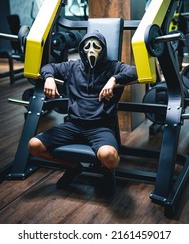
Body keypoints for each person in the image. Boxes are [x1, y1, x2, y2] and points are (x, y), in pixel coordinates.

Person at [28, 30, 138, 196]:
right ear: (81, 49)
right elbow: (47, 66)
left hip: (100, 128)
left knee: (109, 156)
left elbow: (136, 71)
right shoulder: (72, 66)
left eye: (96, 46)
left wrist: (115, 79)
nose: (91, 50)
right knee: (34, 146)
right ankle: (73, 167)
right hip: (73, 125)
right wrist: (49, 78)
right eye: (87, 46)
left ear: (103, 49)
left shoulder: (113, 67)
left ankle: (107, 172)